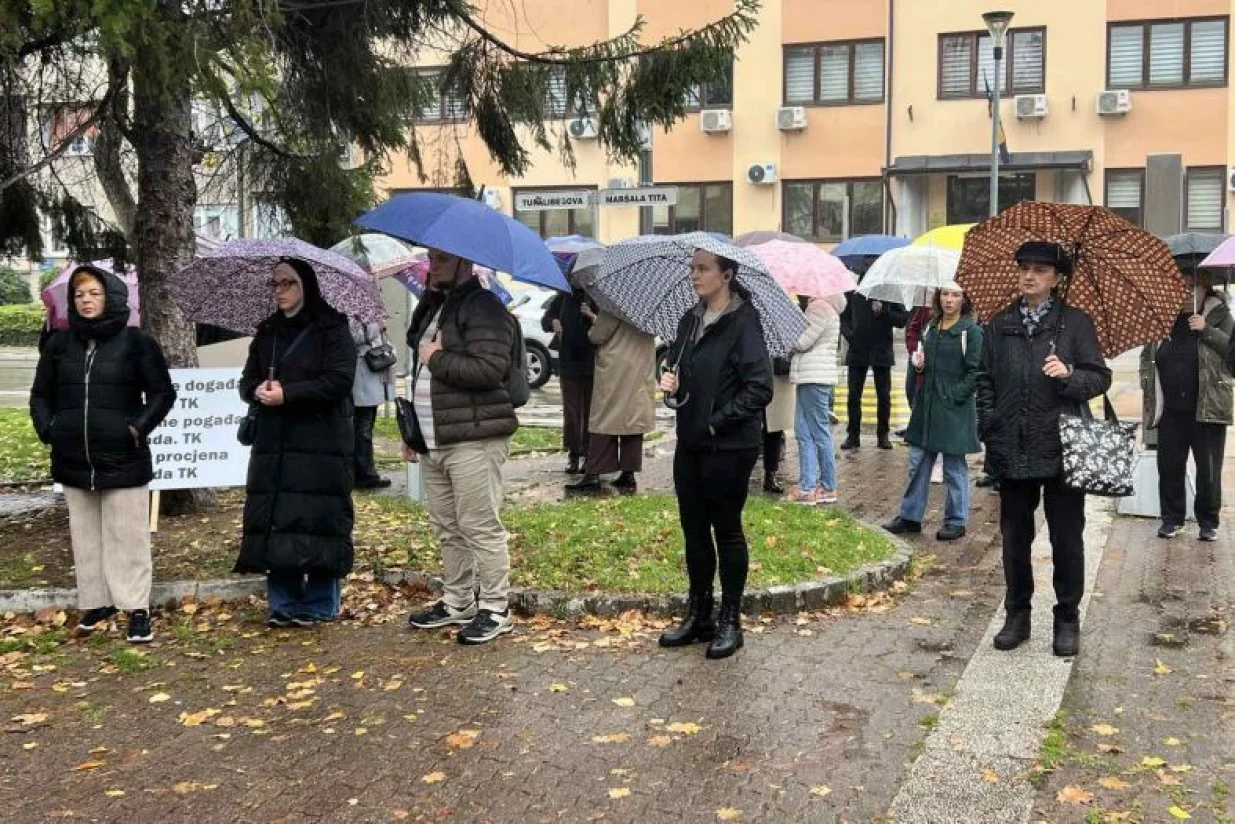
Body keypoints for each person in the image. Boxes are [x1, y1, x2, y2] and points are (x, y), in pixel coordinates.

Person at [976, 241, 1111, 657]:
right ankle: (1017, 614)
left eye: (1040, 270)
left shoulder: (1075, 323)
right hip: (1011, 449)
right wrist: (990, 425)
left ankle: (1067, 618)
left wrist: (1069, 375)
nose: (1029, 276)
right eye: (1024, 268)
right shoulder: (999, 324)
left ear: (1057, 278)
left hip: (1062, 449)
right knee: (1014, 539)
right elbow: (984, 380)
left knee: (1067, 539)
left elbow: (1100, 377)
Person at [30, 264, 176, 644]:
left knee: (128, 535)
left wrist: (136, 427)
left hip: (123, 457)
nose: (86, 301)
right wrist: (49, 428)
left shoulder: (137, 342)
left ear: (110, 296)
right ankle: (97, 602)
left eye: (94, 293)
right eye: (79, 295)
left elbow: (162, 394)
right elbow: (41, 394)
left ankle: (137, 608)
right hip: (74, 456)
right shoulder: (60, 344)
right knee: (86, 536)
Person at [657, 249, 773, 660]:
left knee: (726, 530)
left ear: (726, 274)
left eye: (703, 269)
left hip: (729, 445)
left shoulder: (744, 322)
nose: (695, 275)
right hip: (690, 442)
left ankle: (730, 621)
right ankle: (699, 614)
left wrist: (715, 421)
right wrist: (669, 377)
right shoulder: (690, 320)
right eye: (692, 268)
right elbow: (680, 364)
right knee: (693, 530)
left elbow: (760, 388)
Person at [404, 248, 519, 645]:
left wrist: (437, 358)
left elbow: (489, 370)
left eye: (442, 261)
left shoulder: (484, 307)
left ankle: (495, 607)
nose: (431, 266)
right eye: (431, 259)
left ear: (466, 264)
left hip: (473, 437)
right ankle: (458, 600)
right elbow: (417, 363)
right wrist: (412, 432)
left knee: (479, 525)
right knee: (447, 526)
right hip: (436, 437)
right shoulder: (436, 304)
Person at [236, 258, 358, 628]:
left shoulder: (332, 328)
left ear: (306, 285)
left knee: (319, 519)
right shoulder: (268, 331)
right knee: (278, 521)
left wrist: (289, 394)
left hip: (320, 440)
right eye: (274, 284)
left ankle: (320, 601)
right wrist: (256, 389)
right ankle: (283, 602)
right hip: (275, 443)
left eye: (287, 283)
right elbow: (247, 379)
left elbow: (339, 380)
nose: (279, 291)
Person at [884, 284, 982, 541]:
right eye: (945, 294)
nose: (949, 300)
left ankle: (956, 520)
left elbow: (976, 373)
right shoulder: (931, 326)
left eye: (956, 295)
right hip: (926, 406)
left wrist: (954, 395)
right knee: (919, 462)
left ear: (964, 298)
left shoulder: (970, 331)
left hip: (953, 410)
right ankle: (910, 516)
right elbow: (925, 367)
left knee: (953, 465)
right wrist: (919, 367)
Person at [1143, 267, 1233, 541]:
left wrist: (1206, 330)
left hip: (1206, 406)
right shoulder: (1163, 319)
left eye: (1190, 287)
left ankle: (1208, 521)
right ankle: (1172, 518)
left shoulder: (1220, 316)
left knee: (1207, 469)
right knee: (1169, 465)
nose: (1184, 294)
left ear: (1204, 288)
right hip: (1170, 409)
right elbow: (1149, 357)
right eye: (1179, 287)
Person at [565, 307, 656, 493]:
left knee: (604, 419)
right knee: (633, 421)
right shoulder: (650, 309)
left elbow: (597, 336)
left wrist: (593, 320)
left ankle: (594, 473)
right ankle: (628, 474)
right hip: (640, 369)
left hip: (616, 369)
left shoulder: (614, 305)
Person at [840, 261, 909, 450]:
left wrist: (884, 311)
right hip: (858, 349)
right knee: (854, 395)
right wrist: (850, 335)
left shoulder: (890, 291)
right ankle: (853, 435)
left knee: (884, 395)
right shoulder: (853, 291)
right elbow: (844, 318)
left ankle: (883, 435)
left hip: (881, 350)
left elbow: (902, 320)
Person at [787, 293, 844, 505]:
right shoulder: (827, 308)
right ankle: (809, 485)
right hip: (813, 375)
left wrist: (790, 328)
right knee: (804, 431)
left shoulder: (818, 307)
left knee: (817, 432)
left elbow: (802, 342)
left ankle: (825, 486)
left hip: (814, 376)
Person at [542, 278, 596, 475]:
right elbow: (545, 321)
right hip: (568, 364)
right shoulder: (562, 298)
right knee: (572, 412)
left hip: (591, 363)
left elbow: (604, 327)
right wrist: (553, 322)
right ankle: (573, 453)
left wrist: (590, 315)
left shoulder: (595, 298)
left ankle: (589, 454)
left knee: (590, 412)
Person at [350, 317, 394, 489]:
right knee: (362, 427)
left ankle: (364, 471)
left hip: (372, 371)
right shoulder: (349, 309)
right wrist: (377, 326)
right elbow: (354, 335)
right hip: (362, 372)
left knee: (365, 424)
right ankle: (364, 474)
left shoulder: (368, 309)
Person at [762, 363, 793, 494]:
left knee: (774, 429)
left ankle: (770, 475)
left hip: (775, 380)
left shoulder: (780, 344)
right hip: (751, 380)